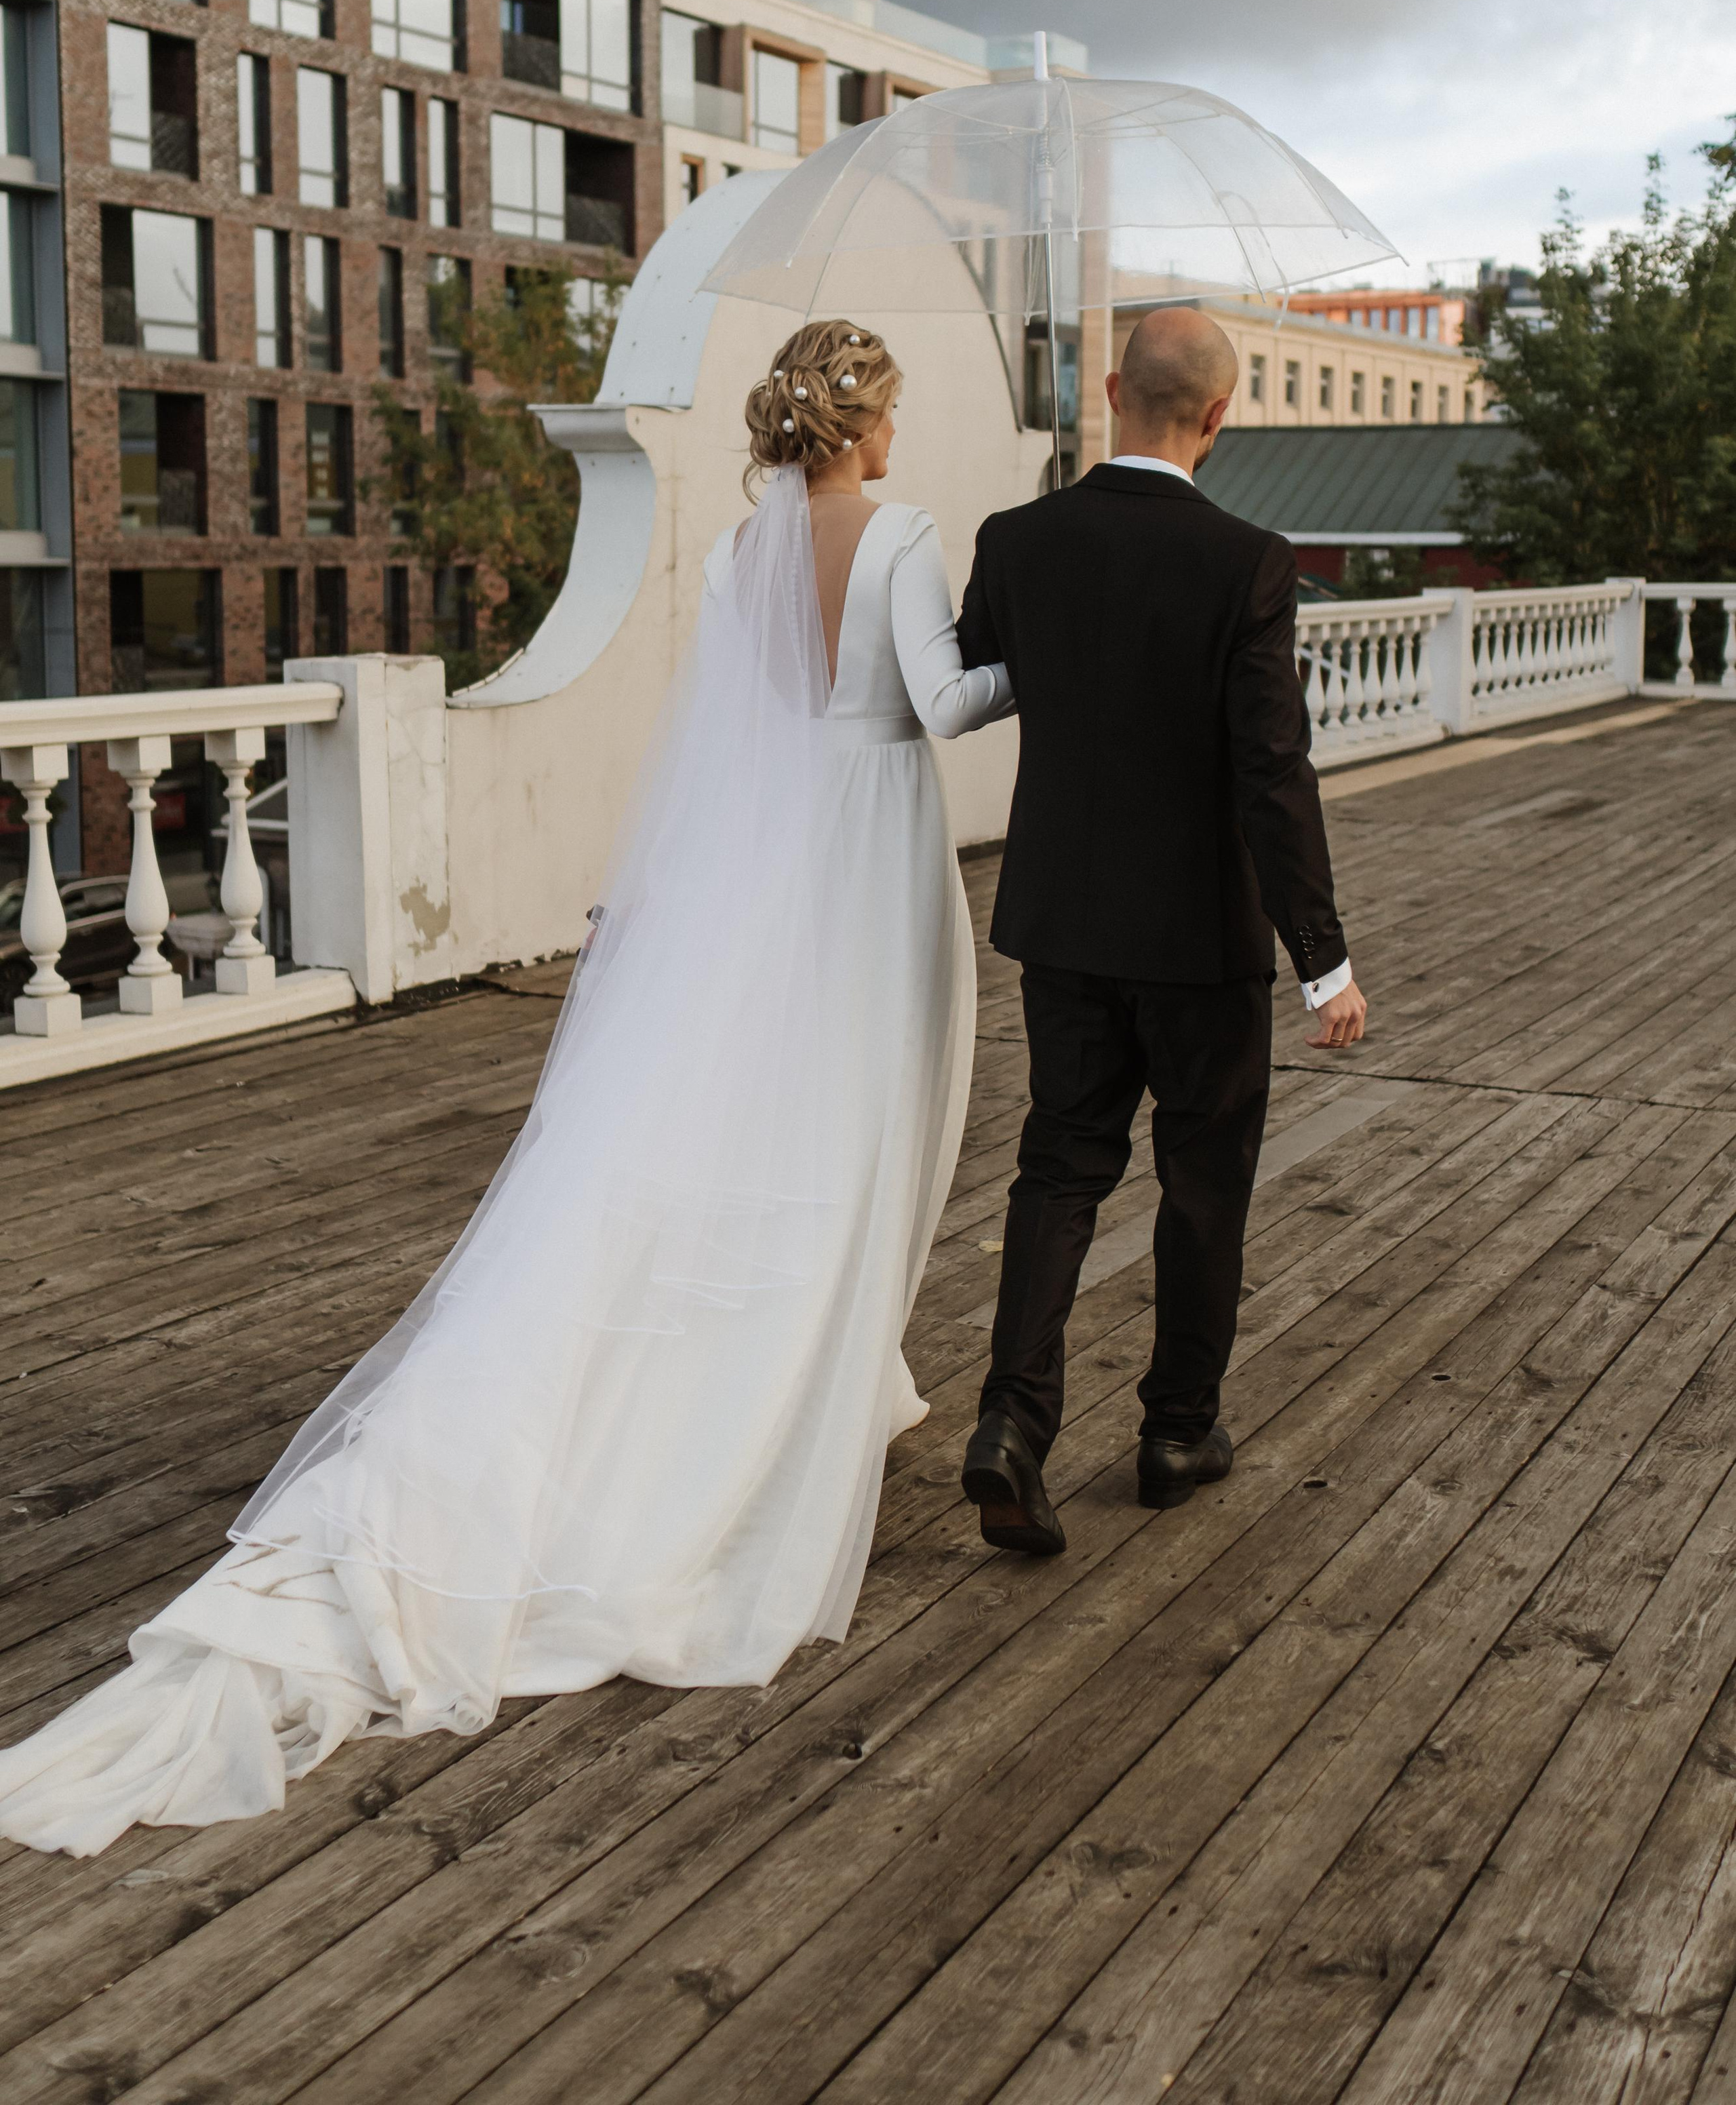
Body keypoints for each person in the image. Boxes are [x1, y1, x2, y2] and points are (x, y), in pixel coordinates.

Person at [0, 321, 1012, 1858]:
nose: (894, 439)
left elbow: (738, 736)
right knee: (849, 1123)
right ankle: (791, 1394)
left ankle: (823, 1375)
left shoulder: (740, 552)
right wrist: (1039, 657)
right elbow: (941, 708)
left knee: (747, 1121)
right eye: (892, 413)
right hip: (870, 856)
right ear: (864, 421)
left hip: (763, 877)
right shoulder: (905, 533)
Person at [955, 304, 1366, 1556]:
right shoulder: (1248, 562)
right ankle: (1178, 1431)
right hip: (1201, 943)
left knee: (1058, 1168)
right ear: (1220, 415)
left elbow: (967, 678)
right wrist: (1324, 962)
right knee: (1202, 1184)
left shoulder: (1017, 540)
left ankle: (1012, 1426)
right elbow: (1271, 773)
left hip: (1064, 926)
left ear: (1111, 391)